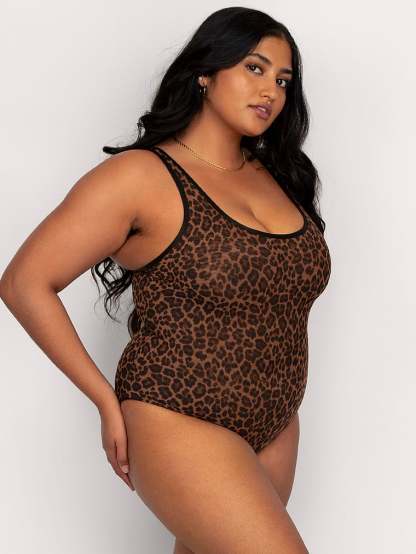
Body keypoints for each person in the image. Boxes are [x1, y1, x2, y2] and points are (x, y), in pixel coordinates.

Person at [0, 7, 331, 553]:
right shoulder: (141, 176)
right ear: (205, 73)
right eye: (254, 68)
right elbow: (24, 282)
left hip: (277, 422)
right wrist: (105, 400)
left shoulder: (280, 176)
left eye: (283, 80)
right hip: (176, 415)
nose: (270, 90)